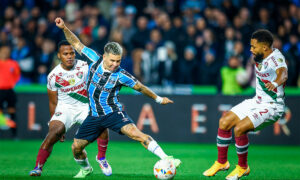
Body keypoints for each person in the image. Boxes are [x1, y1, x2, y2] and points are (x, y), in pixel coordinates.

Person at [55, 17, 181, 178]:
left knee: (137, 134)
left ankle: (168, 158)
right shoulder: (94, 58)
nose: (116, 64)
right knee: (76, 148)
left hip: (113, 113)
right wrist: (64, 27)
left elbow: (141, 87)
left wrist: (158, 99)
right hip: (93, 115)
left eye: (118, 61)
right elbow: (76, 43)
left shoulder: (122, 75)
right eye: (112, 60)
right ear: (105, 56)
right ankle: (86, 169)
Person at [203, 29, 288, 180]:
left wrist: (275, 82)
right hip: (257, 101)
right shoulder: (258, 55)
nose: (251, 49)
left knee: (240, 129)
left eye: (253, 46)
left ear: (264, 47)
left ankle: (243, 167)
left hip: (272, 106)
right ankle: (222, 162)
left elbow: (283, 73)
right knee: (224, 122)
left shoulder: (276, 58)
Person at [29, 41, 112, 177]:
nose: (69, 56)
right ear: (59, 56)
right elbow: (52, 102)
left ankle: (101, 158)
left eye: (72, 53)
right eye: (65, 54)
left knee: (102, 121)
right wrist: (54, 123)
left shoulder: (84, 66)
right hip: (65, 108)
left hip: (85, 107)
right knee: (52, 134)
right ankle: (38, 167)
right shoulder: (53, 76)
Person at [0, 45, 21, 138]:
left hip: (9, 90)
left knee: (12, 110)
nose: (5, 52)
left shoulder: (13, 63)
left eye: (7, 51)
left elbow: (17, 76)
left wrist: (11, 83)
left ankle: (14, 134)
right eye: (4, 51)